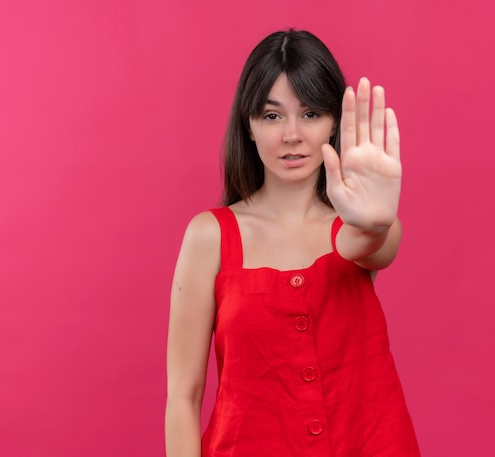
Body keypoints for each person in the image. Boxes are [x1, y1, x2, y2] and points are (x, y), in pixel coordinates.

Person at [165, 29, 420, 457]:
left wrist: (375, 220)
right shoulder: (210, 236)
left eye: (310, 114)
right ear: (247, 125)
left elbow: (378, 242)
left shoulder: (354, 226)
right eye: (271, 115)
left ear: (335, 123)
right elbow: (183, 399)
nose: (291, 135)